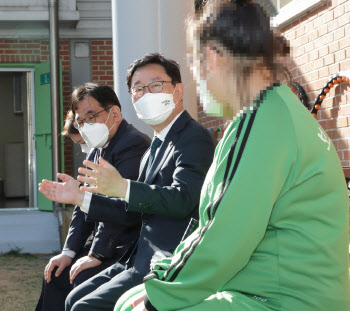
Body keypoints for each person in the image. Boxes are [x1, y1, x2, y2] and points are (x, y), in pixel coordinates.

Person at [115, 1, 350, 310]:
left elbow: (223, 235)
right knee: (131, 298)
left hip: (282, 299)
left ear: (211, 59)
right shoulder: (279, 109)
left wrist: (160, 294)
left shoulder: (258, 121)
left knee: (130, 306)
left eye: (193, 65)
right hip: (287, 288)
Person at [57, 53, 217, 311]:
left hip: (167, 264)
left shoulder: (193, 138)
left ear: (178, 90)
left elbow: (185, 199)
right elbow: (131, 208)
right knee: (73, 299)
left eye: (155, 85)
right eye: (138, 89)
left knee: (83, 307)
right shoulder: (156, 143)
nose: (146, 94)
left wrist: (123, 187)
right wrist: (80, 198)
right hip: (137, 257)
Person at [36, 83, 150, 311]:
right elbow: (82, 204)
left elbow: (120, 207)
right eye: (81, 121)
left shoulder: (132, 144)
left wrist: (96, 254)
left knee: (80, 280)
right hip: (108, 241)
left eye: (91, 116)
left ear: (114, 113)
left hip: (128, 245)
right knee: (56, 273)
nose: (85, 126)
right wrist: (67, 253)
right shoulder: (99, 147)